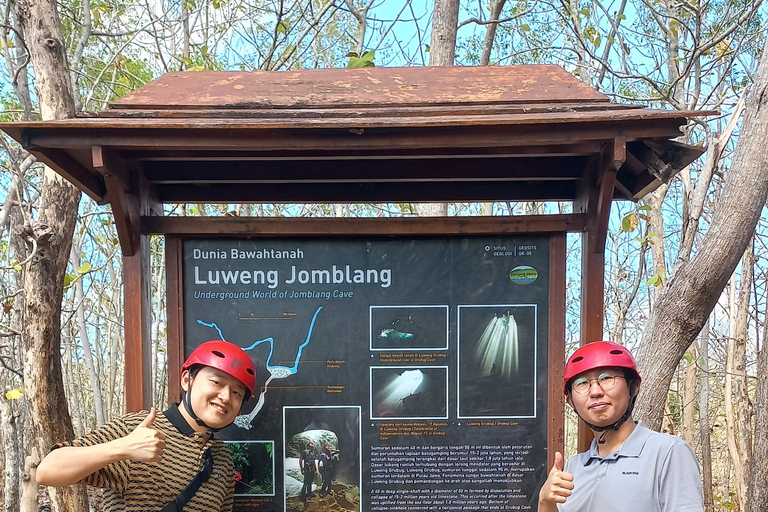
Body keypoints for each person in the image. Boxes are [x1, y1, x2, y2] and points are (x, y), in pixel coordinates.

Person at [36, 340, 256, 512]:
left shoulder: (222, 459)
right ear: (186, 380)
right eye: (216, 382)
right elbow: (47, 470)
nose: (226, 396)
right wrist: (123, 448)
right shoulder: (138, 430)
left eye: (236, 392)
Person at [538, 341, 704, 512]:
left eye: (607, 378)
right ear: (571, 401)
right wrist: (545, 502)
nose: (595, 391)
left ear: (634, 386)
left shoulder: (668, 453)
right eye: (582, 383)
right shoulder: (574, 467)